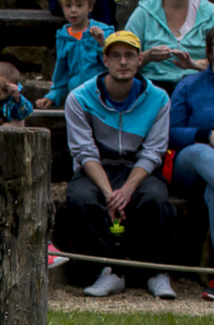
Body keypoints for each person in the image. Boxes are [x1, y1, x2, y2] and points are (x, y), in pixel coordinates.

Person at [60, 29, 177, 298]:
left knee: (155, 199)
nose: (123, 62)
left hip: (138, 167)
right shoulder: (79, 97)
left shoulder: (159, 98)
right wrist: (109, 193)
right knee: (81, 200)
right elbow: (84, 152)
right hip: (97, 167)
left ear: (139, 60)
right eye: (116, 56)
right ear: (105, 61)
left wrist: (126, 191)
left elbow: (153, 152)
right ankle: (109, 270)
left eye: (129, 56)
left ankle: (157, 271)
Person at [169, 26, 214, 299]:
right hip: (189, 162)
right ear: (209, 51)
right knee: (203, 153)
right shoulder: (189, 85)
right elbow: (171, 133)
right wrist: (205, 135)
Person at [124, 0, 213, 91]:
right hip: (154, 86)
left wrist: (193, 64)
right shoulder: (145, 12)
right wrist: (148, 56)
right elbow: (123, 59)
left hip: (200, 85)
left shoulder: (210, 13)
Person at [35, 0, 111, 109]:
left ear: (90, 7)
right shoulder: (63, 37)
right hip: (77, 95)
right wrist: (53, 96)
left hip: (102, 94)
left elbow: (112, 62)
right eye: (68, 6)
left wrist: (101, 43)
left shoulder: (103, 31)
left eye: (79, 5)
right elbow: (61, 71)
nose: (73, 10)